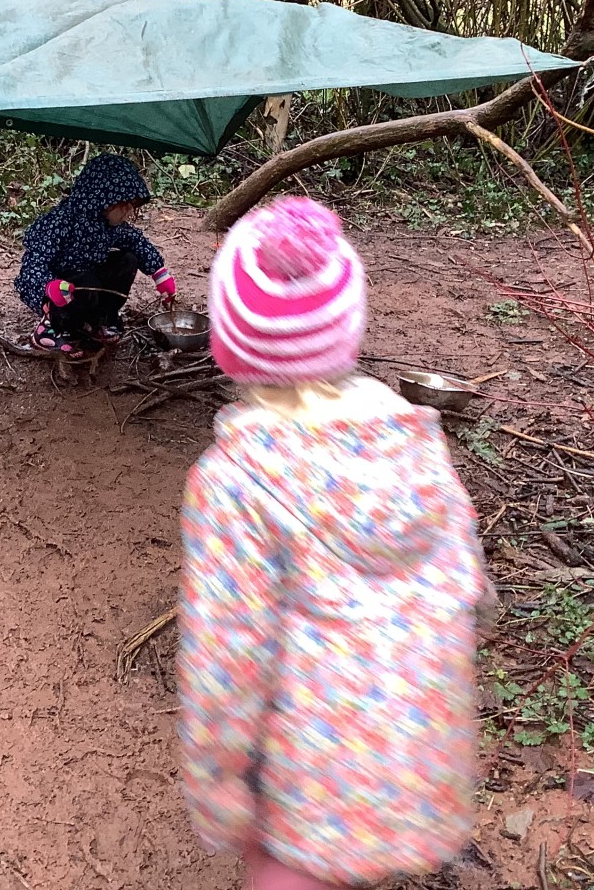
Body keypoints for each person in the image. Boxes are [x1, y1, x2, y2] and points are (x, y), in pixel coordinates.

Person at [177, 196, 495, 890]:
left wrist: (217, 782)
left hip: (314, 786)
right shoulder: (416, 441)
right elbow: (470, 585)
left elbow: (224, 656)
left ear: (230, 342)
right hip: (425, 762)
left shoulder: (234, 481)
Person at [14, 153, 176, 356]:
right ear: (106, 200)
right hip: (59, 287)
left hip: (89, 283)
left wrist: (160, 275)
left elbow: (137, 242)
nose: (128, 214)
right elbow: (33, 264)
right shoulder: (59, 222)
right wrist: (48, 286)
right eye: (124, 207)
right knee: (84, 281)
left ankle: (96, 321)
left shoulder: (109, 224)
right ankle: (50, 328)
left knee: (127, 260)